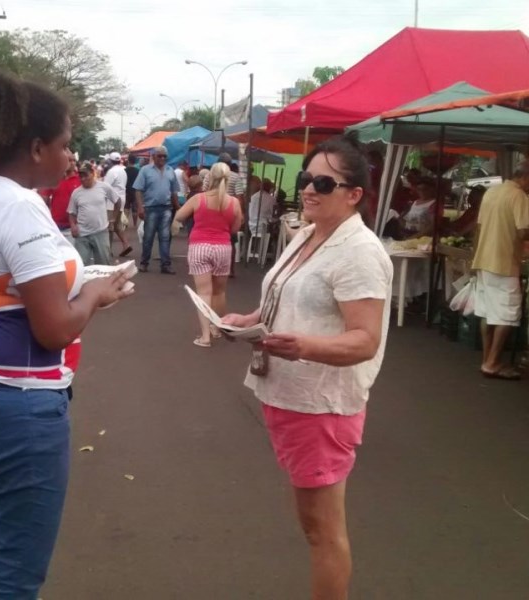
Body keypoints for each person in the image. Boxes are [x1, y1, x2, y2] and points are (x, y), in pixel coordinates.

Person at [0, 69, 133, 598]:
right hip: (17, 398)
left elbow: (5, 290)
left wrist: (82, 286)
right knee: (14, 574)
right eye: (65, 145)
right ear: (34, 147)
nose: (71, 157)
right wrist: (96, 293)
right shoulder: (20, 206)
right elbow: (51, 329)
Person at [223, 135, 393, 600]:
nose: (309, 189)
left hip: (321, 403)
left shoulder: (357, 251)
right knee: (313, 526)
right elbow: (283, 294)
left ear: (354, 194)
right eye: (306, 178)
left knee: (322, 531)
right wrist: (249, 320)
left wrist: (303, 346)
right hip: (290, 393)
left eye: (323, 182)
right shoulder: (309, 233)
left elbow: (364, 339)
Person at [174, 162, 242, 347]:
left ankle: (205, 337)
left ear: (209, 177)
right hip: (223, 248)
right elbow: (235, 228)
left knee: (203, 293)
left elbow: (179, 216)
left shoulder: (199, 199)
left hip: (199, 247)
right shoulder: (234, 202)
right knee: (219, 292)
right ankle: (217, 327)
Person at [472, 164, 529, 380]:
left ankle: (488, 359)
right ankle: (492, 363)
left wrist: (473, 259)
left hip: (484, 260)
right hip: (504, 263)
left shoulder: (492, 192)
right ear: (525, 177)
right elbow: (524, 230)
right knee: (506, 315)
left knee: (489, 313)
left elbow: (479, 227)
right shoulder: (518, 196)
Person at [133, 146, 179, 274]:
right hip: (150, 208)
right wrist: (140, 208)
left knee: (165, 237)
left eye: (164, 156)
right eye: (160, 156)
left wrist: (178, 208)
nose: (162, 158)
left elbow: (174, 191)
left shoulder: (171, 171)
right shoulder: (145, 170)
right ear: (153, 156)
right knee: (148, 237)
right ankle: (144, 263)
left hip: (166, 208)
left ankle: (165, 265)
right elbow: (138, 190)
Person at [68, 163, 120, 265]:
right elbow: (71, 212)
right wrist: (73, 226)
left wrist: (113, 219)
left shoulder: (104, 187)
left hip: (101, 232)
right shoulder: (76, 192)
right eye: (81, 176)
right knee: (82, 266)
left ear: (92, 173)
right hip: (82, 234)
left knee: (104, 264)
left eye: (85, 175)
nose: (82, 179)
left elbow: (118, 201)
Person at [103, 151, 132, 257]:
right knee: (117, 225)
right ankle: (126, 244)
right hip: (121, 199)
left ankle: (108, 250)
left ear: (110, 161)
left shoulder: (111, 172)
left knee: (109, 225)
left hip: (112, 202)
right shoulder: (123, 170)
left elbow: (105, 187)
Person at [124, 154, 141, 227]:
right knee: (134, 209)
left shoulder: (124, 170)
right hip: (135, 191)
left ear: (128, 161)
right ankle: (134, 224)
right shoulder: (138, 171)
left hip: (126, 191)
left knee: (126, 208)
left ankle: (125, 223)